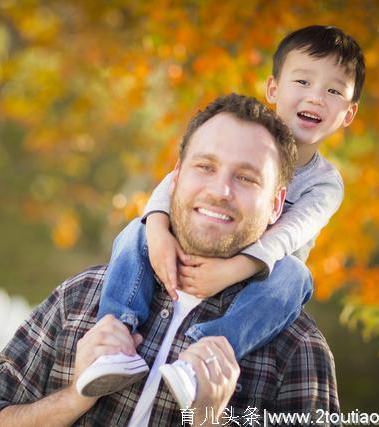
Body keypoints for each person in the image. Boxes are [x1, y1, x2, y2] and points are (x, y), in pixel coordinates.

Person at [0, 94, 340, 426]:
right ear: (175, 178)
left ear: (276, 205)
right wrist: (74, 396)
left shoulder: (298, 350)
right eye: (205, 167)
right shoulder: (83, 297)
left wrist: (210, 420)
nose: (220, 190)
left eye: (246, 178)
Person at [79, 25, 364, 408]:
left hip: (265, 279)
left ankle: (204, 355)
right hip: (204, 241)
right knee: (137, 229)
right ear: (274, 90)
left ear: (348, 113)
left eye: (333, 91)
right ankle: (115, 333)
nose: (316, 97)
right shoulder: (239, 132)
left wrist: (234, 270)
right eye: (303, 81)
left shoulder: (326, 184)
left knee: (296, 276)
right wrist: (160, 230)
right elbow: (172, 184)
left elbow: (289, 235)